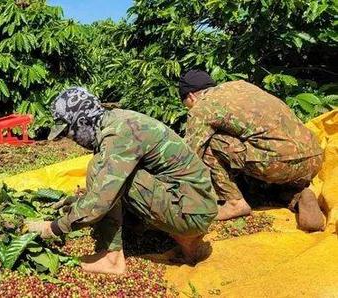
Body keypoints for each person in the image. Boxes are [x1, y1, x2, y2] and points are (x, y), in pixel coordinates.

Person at [26, 87, 218, 275]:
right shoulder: (116, 119)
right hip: (193, 203)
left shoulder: (119, 134)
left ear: (83, 122)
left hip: (191, 212)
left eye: (70, 132)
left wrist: (52, 228)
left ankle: (111, 259)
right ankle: (184, 240)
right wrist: (80, 202)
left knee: (101, 172)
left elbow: (100, 202)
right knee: (106, 175)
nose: (73, 140)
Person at [179, 70, 325, 231]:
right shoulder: (242, 86)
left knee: (212, 142)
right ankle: (295, 196)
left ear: (191, 96)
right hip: (314, 156)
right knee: (255, 146)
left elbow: (190, 157)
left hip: (276, 164)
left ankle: (234, 203)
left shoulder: (202, 106)